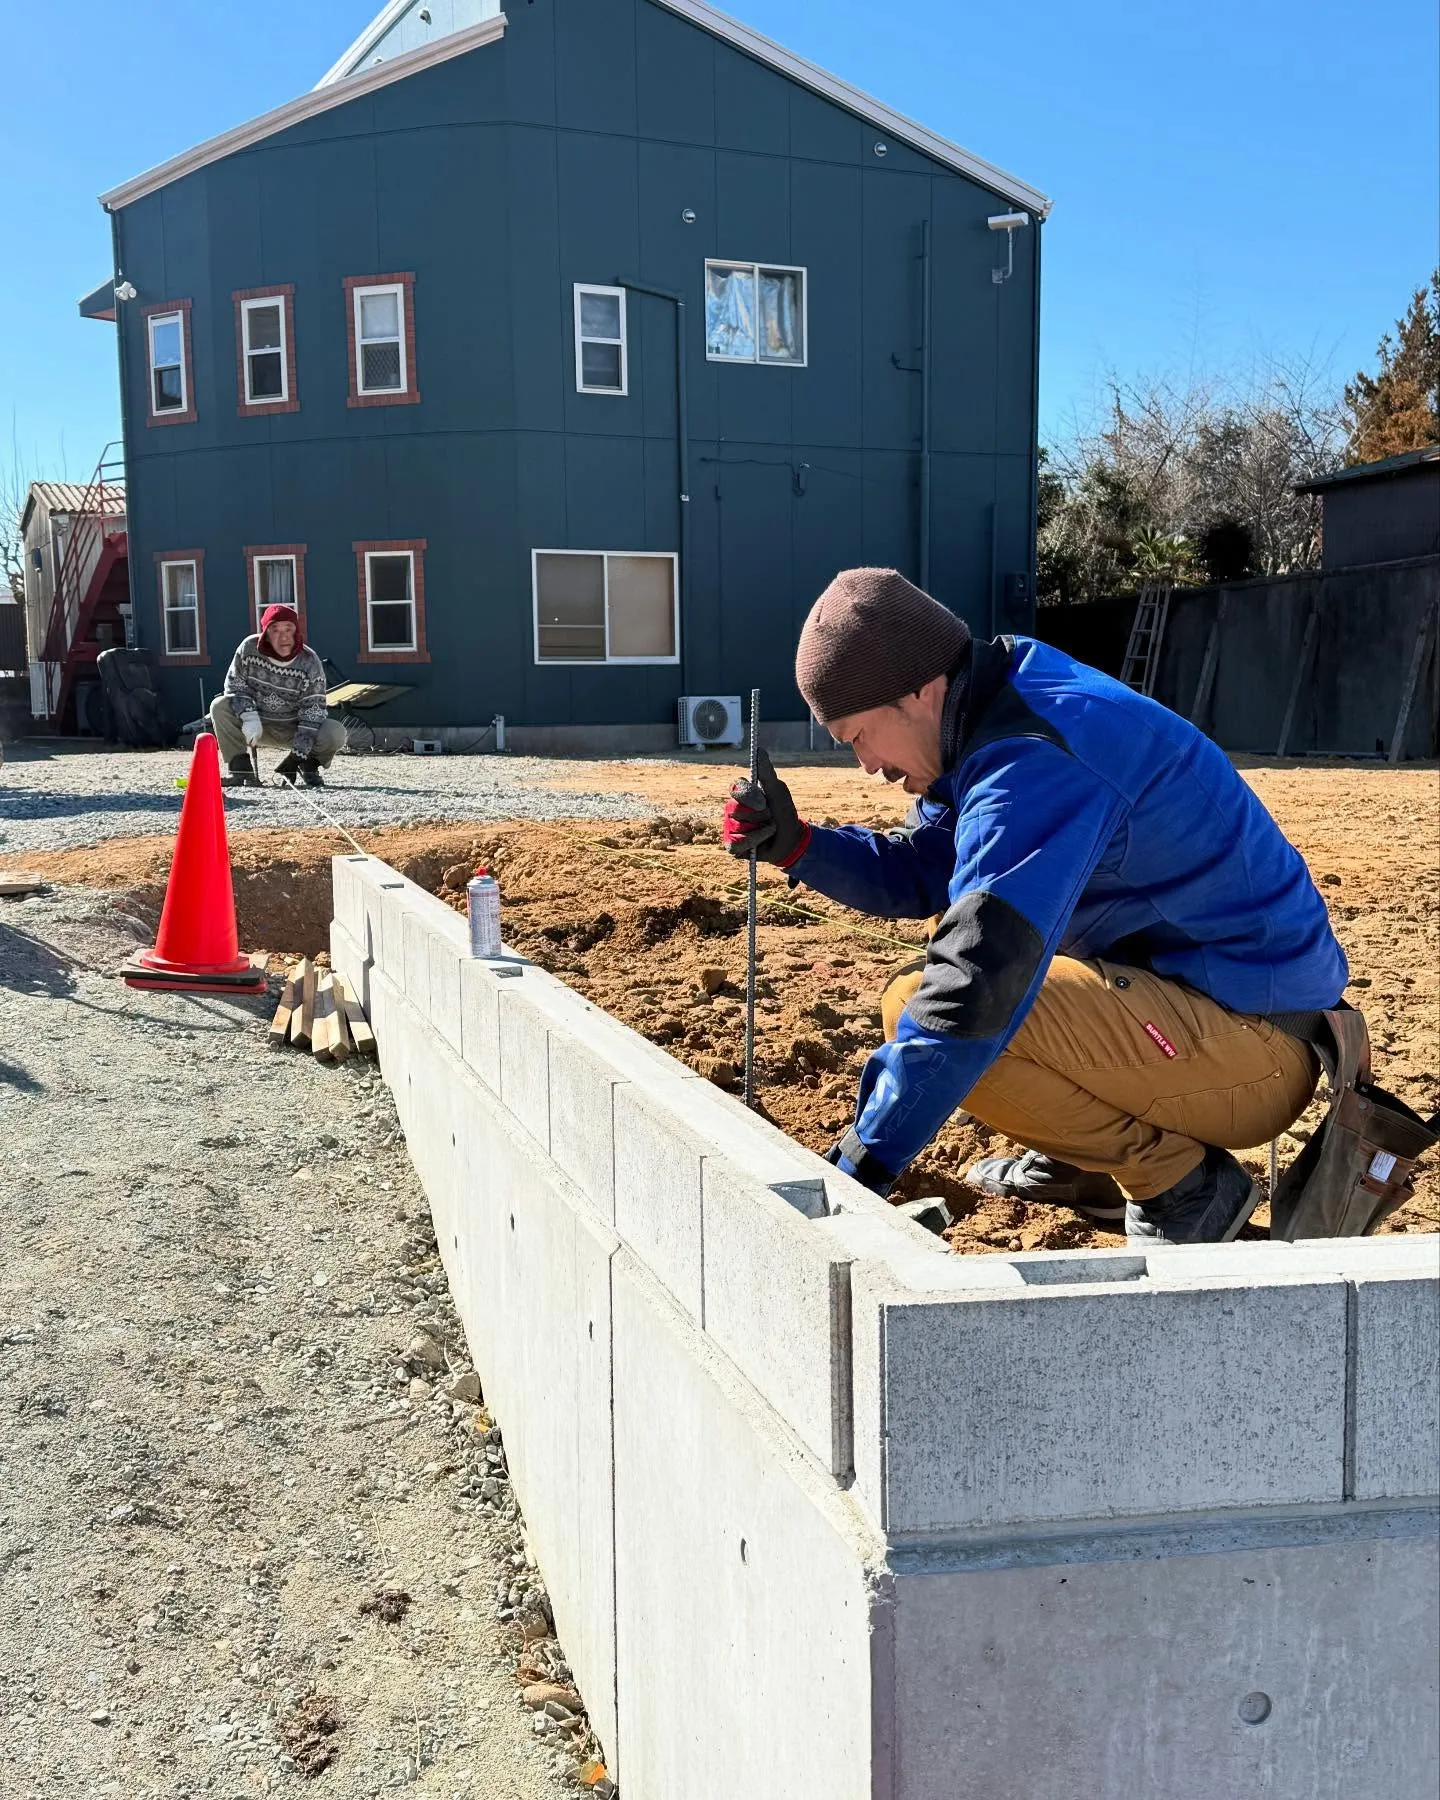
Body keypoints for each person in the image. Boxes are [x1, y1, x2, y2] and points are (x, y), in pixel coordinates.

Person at [723, 567, 1347, 1245]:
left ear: (920, 692)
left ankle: (1182, 1188)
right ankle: (1082, 1167)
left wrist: (851, 1179)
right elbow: (925, 871)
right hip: (1197, 1011)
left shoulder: (1038, 755)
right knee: (969, 956)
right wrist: (800, 846)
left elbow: (975, 986)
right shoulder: (996, 707)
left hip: (1257, 1051)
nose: (866, 766)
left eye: (858, 736)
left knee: (949, 1004)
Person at [210, 603, 346, 788]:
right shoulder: (248, 648)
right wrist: (248, 716)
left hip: (293, 728)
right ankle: (240, 771)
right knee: (219, 706)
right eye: (275, 630)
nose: (283, 637)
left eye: (288, 629)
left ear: (296, 631)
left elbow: (313, 713)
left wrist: (295, 757)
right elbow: (235, 686)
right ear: (265, 633)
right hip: (255, 723)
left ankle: (308, 766)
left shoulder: (310, 661)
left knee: (335, 732)